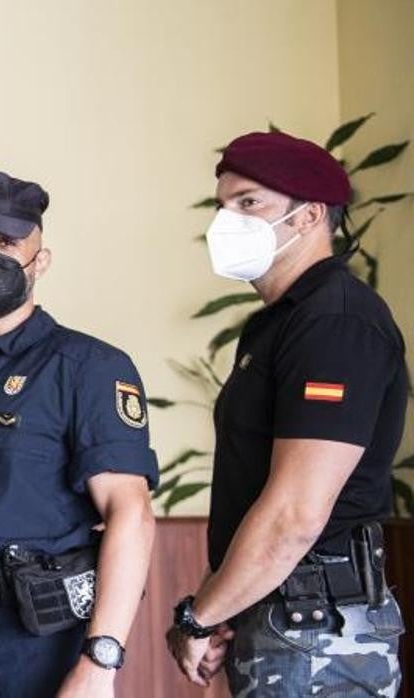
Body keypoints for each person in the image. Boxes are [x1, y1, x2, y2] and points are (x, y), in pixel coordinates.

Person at [167, 131, 407, 696]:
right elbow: (251, 489)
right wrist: (220, 604)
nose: (227, 221)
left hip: (319, 630)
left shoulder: (335, 322)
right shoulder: (278, 324)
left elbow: (296, 514)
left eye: (249, 202)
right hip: (278, 618)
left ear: (310, 215)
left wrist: (198, 619)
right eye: (222, 206)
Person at [0, 170, 158, 697]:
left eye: (6, 242)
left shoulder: (87, 368)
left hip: (40, 653)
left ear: (40, 261)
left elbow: (129, 513)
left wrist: (100, 662)